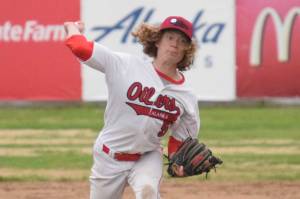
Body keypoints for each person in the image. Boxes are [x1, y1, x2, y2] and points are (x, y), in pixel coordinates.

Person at [64, 16, 200, 199]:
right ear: (157, 40)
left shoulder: (187, 96)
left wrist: (178, 160)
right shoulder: (125, 66)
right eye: (170, 37)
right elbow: (80, 48)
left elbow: (179, 139)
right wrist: (72, 28)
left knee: (148, 192)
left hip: (148, 156)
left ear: (187, 49)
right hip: (109, 156)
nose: (175, 44)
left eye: (182, 41)